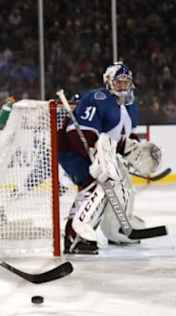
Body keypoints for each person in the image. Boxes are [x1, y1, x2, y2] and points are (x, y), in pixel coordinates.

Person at [58, 62, 161, 255]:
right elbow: (76, 132)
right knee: (93, 186)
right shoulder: (98, 97)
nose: (122, 86)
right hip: (72, 149)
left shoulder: (129, 105)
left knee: (123, 184)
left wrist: (134, 149)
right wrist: (95, 152)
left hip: (101, 151)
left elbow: (119, 138)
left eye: (125, 82)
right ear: (108, 82)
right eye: (118, 82)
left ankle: (117, 230)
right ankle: (75, 236)